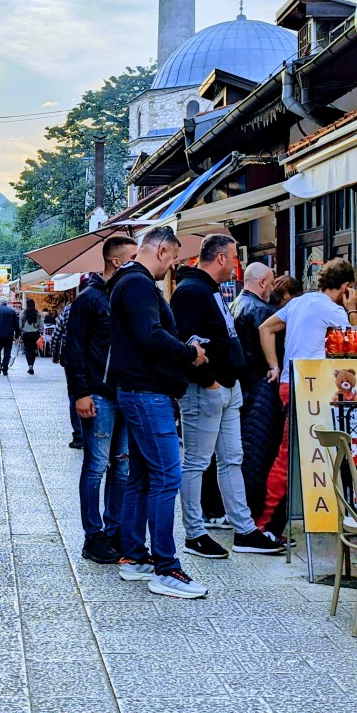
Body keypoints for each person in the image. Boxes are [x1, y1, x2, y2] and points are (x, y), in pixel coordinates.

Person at [170, 235, 284, 559]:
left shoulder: (209, 289)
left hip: (227, 387)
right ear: (220, 258)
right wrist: (209, 382)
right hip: (207, 389)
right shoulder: (191, 291)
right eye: (234, 258)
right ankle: (194, 533)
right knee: (197, 461)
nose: (236, 266)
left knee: (232, 458)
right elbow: (184, 344)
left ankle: (244, 530)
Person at [110, 225, 209, 599]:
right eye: (174, 258)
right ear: (162, 250)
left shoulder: (128, 281)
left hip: (140, 391)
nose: (173, 267)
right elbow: (149, 335)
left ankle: (135, 557)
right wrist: (189, 353)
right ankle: (166, 568)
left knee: (142, 476)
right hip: (147, 394)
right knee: (168, 476)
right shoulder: (137, 284)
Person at [258, 257, 357, 536]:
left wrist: (274, 365)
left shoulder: (299, 303)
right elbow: (352, 341)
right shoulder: (332, 310)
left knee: (288, 454)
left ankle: (270, 520)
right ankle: (267, 523)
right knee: (290, 456)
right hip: (312, 387)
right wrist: (351, 308)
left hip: (289, 382)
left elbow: (265, 328)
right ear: (346, 287)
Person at [65, 235, 138, 564]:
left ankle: (115, 530)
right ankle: (93, 536)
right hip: (98, 392)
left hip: (126, 392)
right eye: (133, 257)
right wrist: (81, 392)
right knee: (95, 466)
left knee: (122, 466)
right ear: (116, 261)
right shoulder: (89, 299)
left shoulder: (126, 296)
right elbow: (74, 349)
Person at [230, 263, 282, 521]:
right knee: (258, 454)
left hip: (242, 389)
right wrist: (274, 366)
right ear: (262, 283)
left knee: (242, 452)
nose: (272, 288)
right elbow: (275, 351)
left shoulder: (235, 305)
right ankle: (252, 511)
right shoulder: (262, 311)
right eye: (271, 283)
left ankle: (239, 509)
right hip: (261, 389)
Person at [52, 298, 82, 448]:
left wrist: (55, 353)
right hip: (94, 355)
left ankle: (78, 435)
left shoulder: (69, 308)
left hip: (70, 353)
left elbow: (57, 332)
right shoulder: (103, 302)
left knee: (74, 394)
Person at [0, 299, 20, 376]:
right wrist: (17, 335)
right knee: (7, 351)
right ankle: (5, 368)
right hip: (9, 335)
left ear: (0, 303)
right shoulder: (12, 311)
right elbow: (16, 324)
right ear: (7, 303)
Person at [19, 298, 44, 375]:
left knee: (27, 350)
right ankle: (31, 365)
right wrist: (41, 332)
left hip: (26, 333)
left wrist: (20, 332)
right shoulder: (37, 313)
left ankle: (30, 365)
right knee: (33, 350)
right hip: (35, 334)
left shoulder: (23, 313)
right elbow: (41, 324)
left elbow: (20, 324)